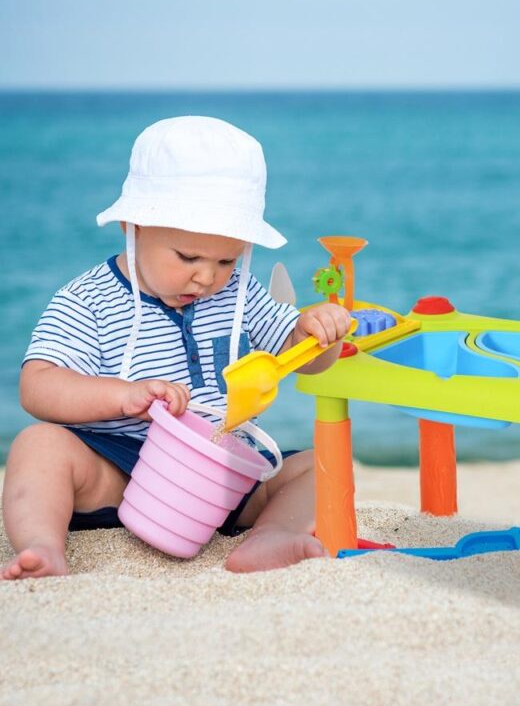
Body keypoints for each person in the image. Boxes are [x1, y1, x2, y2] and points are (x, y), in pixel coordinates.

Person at [2, 116, 351, 580]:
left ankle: (270, 536)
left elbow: (300, 358)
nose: (207, 277)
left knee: (324, 463)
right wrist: (121, 395)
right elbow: (38, 386)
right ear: (134, 226)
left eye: (226, 260)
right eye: (187, 258)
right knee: (39, 445)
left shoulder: (239, 294)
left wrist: (317, 333)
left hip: (220, 471)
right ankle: (42, 547)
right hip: (119, 470)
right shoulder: (87, 299)